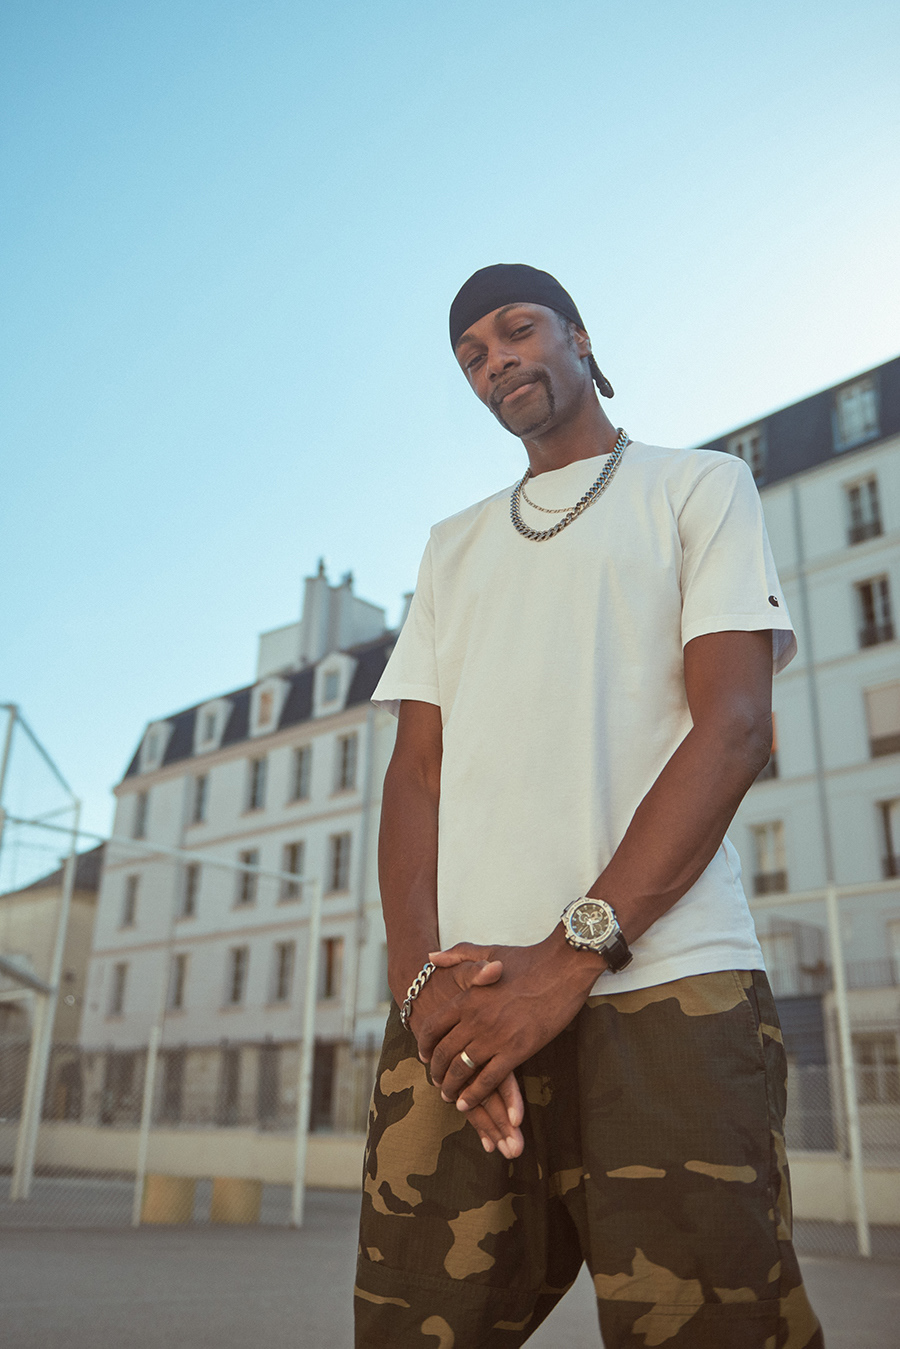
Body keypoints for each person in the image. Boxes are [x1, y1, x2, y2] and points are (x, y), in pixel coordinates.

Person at [354, 263, 823, 1348]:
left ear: (577, 334)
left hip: (670, 988)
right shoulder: (452, 545)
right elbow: (414, 771)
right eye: (472, 354)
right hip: (464, 1008)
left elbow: (735, 727)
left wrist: (566, 963)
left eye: (518, 331)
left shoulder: (699, 487)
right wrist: (420, 990)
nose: (497, 360)